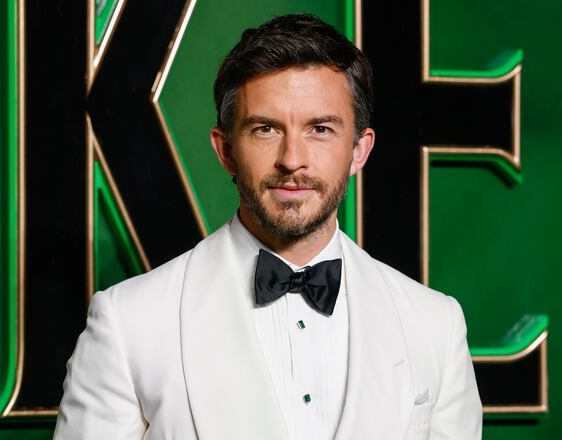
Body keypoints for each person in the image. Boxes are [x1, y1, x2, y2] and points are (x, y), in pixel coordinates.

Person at [54, 13, 482, 440]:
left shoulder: (436, 326)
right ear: (225, 150)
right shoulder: (127, 325)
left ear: (359, 150)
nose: (292, 158)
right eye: (265, 129)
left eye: (320, 129)